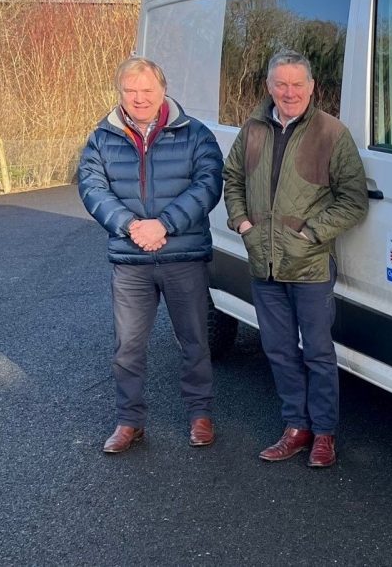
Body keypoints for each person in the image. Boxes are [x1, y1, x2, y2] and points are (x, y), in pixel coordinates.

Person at [223, 50, 368, 468]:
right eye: (281, 84)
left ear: (312, 88)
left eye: (297, 85)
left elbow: (353, 201)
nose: (289, 92)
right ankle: (295, 427)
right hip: (263, 264)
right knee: (279, 350)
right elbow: (231, 178)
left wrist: (310, 234)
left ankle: (323, 434)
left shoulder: (331, 133)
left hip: (309, 266)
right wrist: (242, 223)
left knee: (318, 353)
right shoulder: (251, 130)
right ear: (269, 87)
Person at [78, 56, 224, 454]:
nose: (139, 98)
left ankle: (200, 416)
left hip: (183, 256)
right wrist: (130, 226)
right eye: (131, 90)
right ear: (119, 93)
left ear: (163, 90)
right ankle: (130, 422)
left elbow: (208, 184)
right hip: (130, 260)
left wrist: (164, 225)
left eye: (147, 90)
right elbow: (92, 188)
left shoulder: (195, 134)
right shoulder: (101, 138)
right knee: (128, 346)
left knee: (194, 340)